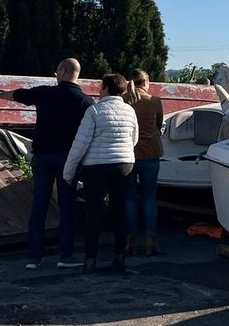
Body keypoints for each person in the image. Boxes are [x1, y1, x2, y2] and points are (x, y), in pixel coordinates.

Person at [0, 58, 92, 270]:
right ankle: (65, 255)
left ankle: (34, 258)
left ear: (63, 71)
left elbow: (20, 94)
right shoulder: (85, 101)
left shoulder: (45, 93)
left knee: (39, 206)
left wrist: (0, 95)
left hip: (43, 157)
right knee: (67, 207)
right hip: (68, 158)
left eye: (57, 70)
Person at [63, 73, 139, 273]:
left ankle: (90, 260)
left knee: (94, 212)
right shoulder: (130, 111)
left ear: (105, 88)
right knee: (119, 211)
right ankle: (119, 257)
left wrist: (68, 172)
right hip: (124, 165)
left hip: (96, 166)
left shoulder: (94, 111)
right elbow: (134, 138)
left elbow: (80, 144)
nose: (98, 89)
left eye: (100, 86)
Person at [124, 69, 165, 256]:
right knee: (149, 197)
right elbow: (158, 124)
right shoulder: (154, 101)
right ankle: (150, 241)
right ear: (146, 82)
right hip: (151, 153)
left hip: (128, 154)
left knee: (129, 198)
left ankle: (131, 240)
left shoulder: (123, 100)